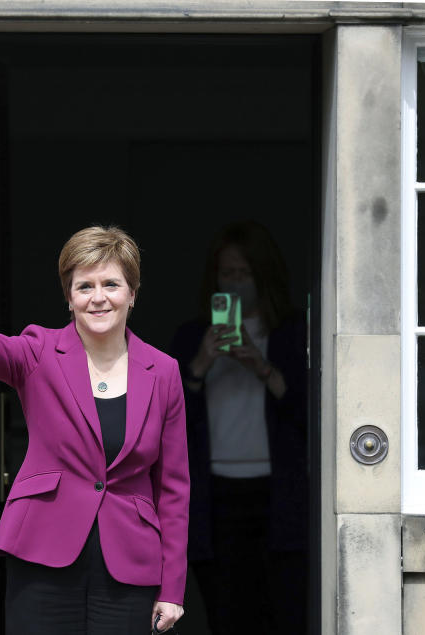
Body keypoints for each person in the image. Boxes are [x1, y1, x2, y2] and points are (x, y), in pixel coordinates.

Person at [0, 194, 189, 634]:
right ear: (68, 299)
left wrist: (172, 587)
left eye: (111, 284)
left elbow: (173, 487)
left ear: (133, 293)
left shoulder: (163, 371)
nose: (98, 298)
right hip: (43, 553)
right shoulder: (37, 353)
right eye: (84, 287)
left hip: (129, 563)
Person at [170, 221, 308, 635]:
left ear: (263, 276)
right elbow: (165, 415)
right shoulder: (193, 336)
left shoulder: (292, 333)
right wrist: (200, 363)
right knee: (229, 616)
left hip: (279, 494)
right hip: (217, 497)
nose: (234, 284)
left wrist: (260, 366)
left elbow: (309, 411)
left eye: (243, 274)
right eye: (226, 274)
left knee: (286, 613)